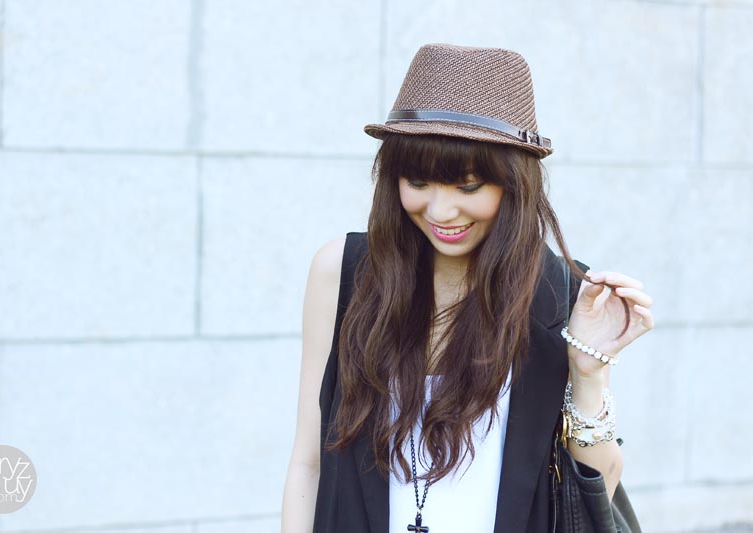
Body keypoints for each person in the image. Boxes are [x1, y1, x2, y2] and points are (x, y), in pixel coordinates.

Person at [281, 43, 655, 533]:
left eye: (469, 186)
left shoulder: (558, 295)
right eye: (418, 182)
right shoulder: (344, 273)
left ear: (513, 184)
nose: (440, 211)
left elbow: (596, 491)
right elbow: (309, 462)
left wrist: (588, 371)